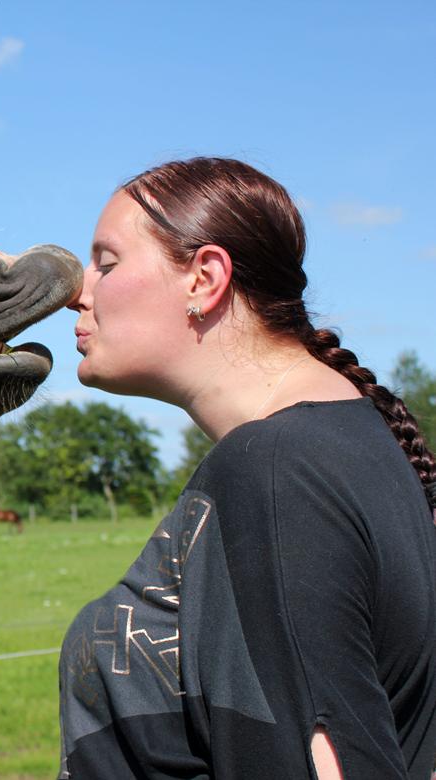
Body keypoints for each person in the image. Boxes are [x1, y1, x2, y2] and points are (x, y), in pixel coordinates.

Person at [58, 157, 436, 779]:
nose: (79, 290)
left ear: (204, 279)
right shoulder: (354, 444)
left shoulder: (273, 468)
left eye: (107, 262)